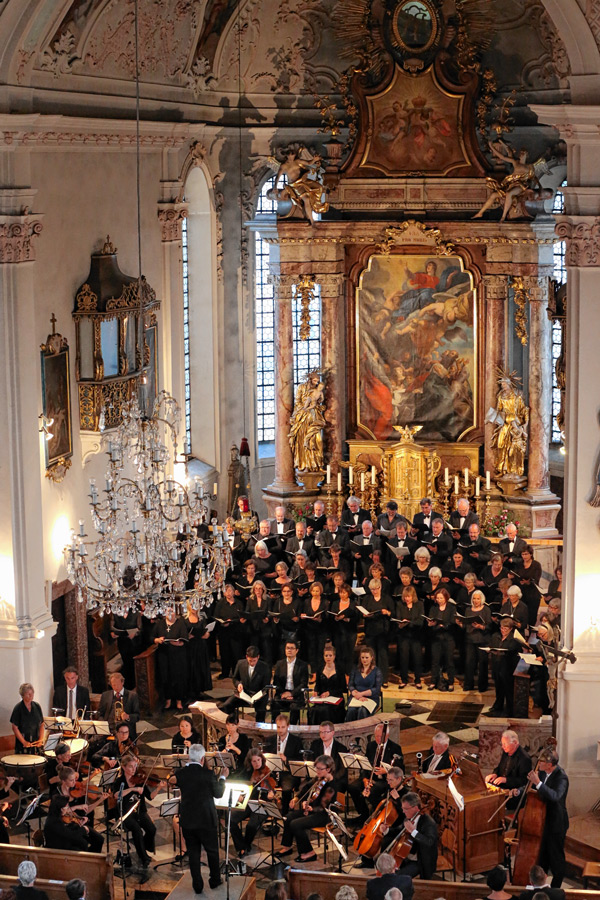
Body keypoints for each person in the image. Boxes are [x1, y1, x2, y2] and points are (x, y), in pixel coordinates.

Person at [174, 742, 227, 893]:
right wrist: (222, 777)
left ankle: (197, 885)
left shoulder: (180, 774)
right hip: (206, 819)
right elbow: (218, 794)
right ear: (203, 758)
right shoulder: (208, 774)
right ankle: (215, 880)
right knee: (212, 851)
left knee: (193, 853)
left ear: (189, 757)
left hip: (188, 819)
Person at [111, 753, 166, 875]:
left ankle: (143, 846)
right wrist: (132, 789)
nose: (134, 769)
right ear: (124, 767)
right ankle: (144, 857)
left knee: (151, 829)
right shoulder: (120, 782)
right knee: (137, 830)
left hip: (140, 811)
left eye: (135, 766)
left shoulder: (140, 780)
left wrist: (158, 788)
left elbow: (150, 797)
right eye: (130, 767)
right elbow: (116, 795)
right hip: (125, 814)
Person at [278, 754, 337, 862]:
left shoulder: (331, 786)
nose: (317, 771)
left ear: (328, 769)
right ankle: (287, 846)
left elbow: (323, 807)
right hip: (313, 810)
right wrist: (296, 798)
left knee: (296, 824)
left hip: (324, 815)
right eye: (316, 768)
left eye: (320, 769)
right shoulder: (318, 779)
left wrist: (311, 808)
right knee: (289, 817)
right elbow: (305, 789)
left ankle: (309, 852)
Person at [526, 749, 569, 887]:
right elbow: (535, 787)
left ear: (550, 764)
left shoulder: (561, 777)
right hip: (543, 821)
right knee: (542, 856)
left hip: (556, 823)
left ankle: (555, 888)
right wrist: (519, 790)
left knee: (556, 858)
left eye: (542, 761)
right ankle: (540, 886)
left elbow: (556, 796)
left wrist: (538, 782)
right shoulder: (544, 772)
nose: (539, 763)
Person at [348, 722, 404, 825]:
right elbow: (365, 766)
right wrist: (365, 779)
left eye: (380, 737)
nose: (378, 739)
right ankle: (363, 814)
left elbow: (400, 769)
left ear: (387, 736)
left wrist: (387, 771)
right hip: (371, 777)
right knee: (353, 787)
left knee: (372, 792)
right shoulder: (371, 745)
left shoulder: (395, 748)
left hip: (385, 780)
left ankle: (375, 817)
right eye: (376, 736)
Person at [229, 747, 278, 856]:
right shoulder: (247, 772)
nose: (256, 764)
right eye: (254, 761)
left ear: (262, 759)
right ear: (250, 762)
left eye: (258, 760)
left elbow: (273, 790)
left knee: (251, 825)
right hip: (248, 802)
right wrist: (240, 794)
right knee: (230, 820)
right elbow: (238, 782)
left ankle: (245, 846)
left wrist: (271, 795)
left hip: (263, 803)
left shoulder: (268, 772)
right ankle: (241, 846)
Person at [264, 714, 304, 815]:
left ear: (288, 726)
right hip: (272, 772)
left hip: (288, 773)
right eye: (278, 727)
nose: (280, 730)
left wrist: (286, 759)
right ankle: (266, 814)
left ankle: (285, 815)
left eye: (283, 727)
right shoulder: (270, 740)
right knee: (263, 785)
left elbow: (299, 761)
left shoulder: (296, 741)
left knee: (287, 789)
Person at [220, 645, 271, 722]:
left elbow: (266, 687)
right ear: (247, 657)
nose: (252, 663)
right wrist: (238, 685)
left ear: (258, 657)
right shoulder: (240, 664)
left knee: (261, 710)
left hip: (259, 696)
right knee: (227, 705)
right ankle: (233, 724)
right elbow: (235, 678)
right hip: (244, 693)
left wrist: (257, 696)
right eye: (250, 661)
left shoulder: (265, 667)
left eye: (254, 660)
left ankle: (258, 730)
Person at [394, 791, 438, 878]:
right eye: (403, 808)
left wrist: (413, 832)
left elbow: (429, 842)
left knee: (398, 877)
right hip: (406, 856)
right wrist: (386, 830)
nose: (403, 811)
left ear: (416, 808)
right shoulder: (409, 818)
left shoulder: (429, 823)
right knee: (384, 865)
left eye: (406, 809)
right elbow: (399, 830)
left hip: (420, 861)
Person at [153, 606, 189, 709]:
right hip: (164, 655)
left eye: (171, 611)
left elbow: (185, 638)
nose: (169, 613)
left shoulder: (180, 623)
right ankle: (167, 700)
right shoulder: (160, 624)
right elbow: (151, 637)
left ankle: (179, 701)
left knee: (178, 678)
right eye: (167, 611)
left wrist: (178, 643)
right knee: (166, 678)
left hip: (178, 656)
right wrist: (157, 640)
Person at [487, 618, 522, 716]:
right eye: (502, 628)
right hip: (497, 665)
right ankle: (498, 705)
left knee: (508, 689)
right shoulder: (495, 636)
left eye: (505, 629)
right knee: (498, 687)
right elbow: (491, 646)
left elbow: (513, 651)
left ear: (511, 629)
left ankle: (510, 708)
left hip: (508, 667)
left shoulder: (514, 639)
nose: (503, 630)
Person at [362, 577, 394, 684]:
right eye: (372, 589)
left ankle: (383, 679)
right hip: (370, 630)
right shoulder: (367, 599)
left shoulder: (386, 598)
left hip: (383, 631)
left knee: (382, 655)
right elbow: (362, 611)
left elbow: (393, 613)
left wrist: (387, 612)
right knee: (371, 655)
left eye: (376, 589)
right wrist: (365, 614)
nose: (374, 591)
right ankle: (372, 678)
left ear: (380, 587)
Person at [459, 588, 492, 692]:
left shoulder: (486, 609)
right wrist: (460, 623)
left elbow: (489, 626)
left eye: (478, 599)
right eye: (474, 598)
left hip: (482, 639)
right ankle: (468, 685)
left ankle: (482, 686)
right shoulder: (468, 610)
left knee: (482, 663)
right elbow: (466, 625)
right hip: (470, 640)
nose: (475, 601)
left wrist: (480, 626)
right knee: (469, 663)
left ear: (481, 599)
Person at [485, 729, 532, 803]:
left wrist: (506, 779)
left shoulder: (524, 759)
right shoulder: (506, 750)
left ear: (515, 742)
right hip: (501, 786)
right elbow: (500, 767)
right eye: (502, 744)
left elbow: (524, 781)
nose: (503, 747)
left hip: (512, 792)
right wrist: (495, 774)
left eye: (505, 744)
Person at [213, 582, 247, 679]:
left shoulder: (239, 603)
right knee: (225, 653)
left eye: (230, 591)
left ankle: (237, 674)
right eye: (226, 591)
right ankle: (225, 673)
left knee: (236, 653)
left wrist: (234, 621)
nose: (228, 593)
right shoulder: (220, 603)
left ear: (234, 592)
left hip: (236, 632)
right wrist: (223, 623)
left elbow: (242, 617)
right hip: (224, 632)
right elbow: (216, 616)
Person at [272, 639, 310, 724]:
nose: (289, 650)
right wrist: (283, 694)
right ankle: (277, 727)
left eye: (292, 648)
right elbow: (276, 682)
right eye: (287, 648)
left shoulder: (302, 665)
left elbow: (303, 683)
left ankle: (292, 728)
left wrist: (291, 694)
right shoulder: (279, 664)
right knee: (274, 703)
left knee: (294, 707)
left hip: (296, 695)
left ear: (297, 650)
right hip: (282, 693)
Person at [395, 585, 424, 689]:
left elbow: (420, 621)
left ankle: (418, 680)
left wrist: (409, 622)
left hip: (416, 636)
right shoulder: (400, 605)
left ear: (413, 596)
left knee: (417, 658)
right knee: (404, 658)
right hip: (404, 636)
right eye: (405, 596)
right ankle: (404, 680)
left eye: (409, 596)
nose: (407, 599)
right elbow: (398, 619)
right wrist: (401, 623)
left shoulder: (419, 604)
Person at [309, 644, 347, 724]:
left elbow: (343, 688)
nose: (328, 657)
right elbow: (318, 685)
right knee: (313, 710)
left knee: (327, 710)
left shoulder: (340, 669)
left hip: (336, 699)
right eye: (326, 655)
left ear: (334, 656)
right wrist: (316, 691)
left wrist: (329, 693)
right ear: (323, 656)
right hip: (322, 698)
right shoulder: (320, 669)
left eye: (330, 655)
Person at [428, 588, 456, 691]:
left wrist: (444, 625)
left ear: (446, 598)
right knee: (435, 661)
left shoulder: (451, 608)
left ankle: (451, 682)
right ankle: (433, 681)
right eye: (437, 598)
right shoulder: (434, 608)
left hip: (448, 637)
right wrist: (431, 624)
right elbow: (431, 619)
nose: (439, 600)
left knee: (449, 661)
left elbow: (453, 622)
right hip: (436, 637)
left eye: (441, 598)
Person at [97, 671, 140, 736]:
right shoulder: (105, 695)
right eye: (113, 685)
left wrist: (128, 717)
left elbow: (137, 716)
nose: (116, 687)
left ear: (122, 682)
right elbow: (100, 713)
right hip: (109, 729)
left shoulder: (132, 696)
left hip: (125, 730)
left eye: (118, 684)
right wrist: (103, 724)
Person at [346, 646, 383, 721]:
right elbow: (351, 685)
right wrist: (357, 695)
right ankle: (350, 731)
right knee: (351, 710)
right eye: (362, 657)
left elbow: (376, 689)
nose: (364, 660)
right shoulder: (355, 670)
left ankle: (362, 731)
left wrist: (362, 694)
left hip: (371, 699)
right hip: (356, 697)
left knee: (362, 710)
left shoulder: (377, 671)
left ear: (372, 657)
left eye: (366, 657)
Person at [329, 583, 358, 675]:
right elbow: (330, 616)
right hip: (338, 631)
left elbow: (357, 618)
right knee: (339, 653)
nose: (342, 594)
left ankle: (348, 673)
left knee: (349, 653)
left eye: (344, 593)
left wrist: (348, 619)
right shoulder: (335, 603)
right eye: (341, 592)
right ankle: (339, 672)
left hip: (350, 631)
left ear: (348, 593)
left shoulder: (354, 603)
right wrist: (336, 618)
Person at [300, 581, 329, 676]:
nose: (315, 593)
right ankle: (313, 672)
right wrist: (303, 616)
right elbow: (303, 613)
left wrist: (321, 619)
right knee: (311, 650)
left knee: (320, 650)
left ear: (320, 591)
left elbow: (328, 616)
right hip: (309, 629)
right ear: (311, 591)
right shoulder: (306, 601)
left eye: (317, 591)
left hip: (321, 629)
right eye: (313, 591)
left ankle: (320, 671)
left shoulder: (325, 602)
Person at [185, 601, 213, 699]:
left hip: (200, 646)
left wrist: (207, 634)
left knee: (200, 667)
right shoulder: (184, 619)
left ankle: (200, 690)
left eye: (195, 606)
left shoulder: (201, 619)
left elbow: (207, 632)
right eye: (192, 606)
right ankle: (191, 691)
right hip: (190, 647)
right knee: (191, 668)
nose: (194, 608)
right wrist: (187, 636)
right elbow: (182, 633)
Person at [110, 608, 142, 689]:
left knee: (132, 663)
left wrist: (135, 633)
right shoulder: (116, 613)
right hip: (122, 642)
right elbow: (112, 627)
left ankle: (133, 684)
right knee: (125, 662)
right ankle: (127, 685)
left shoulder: (135, 612)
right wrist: (113, 633)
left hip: (133, 643)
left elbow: (140, 628)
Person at [310, 719, 348, 786]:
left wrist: (330, 778)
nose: (323, 735)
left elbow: (342, 770)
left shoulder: (341, 748)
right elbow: (311, 762)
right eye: (321, 732)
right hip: (318, 777)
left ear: (332, 733)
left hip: (335, 779)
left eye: (325, 732)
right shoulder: (315, 745)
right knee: (305, 787)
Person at [10, 683, 44, 753]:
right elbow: (14, 727)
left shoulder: (37, 706)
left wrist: (41, 739)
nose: (31, 696)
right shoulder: (18, 708)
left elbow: (42, 724)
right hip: (23, 745)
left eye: (32, 693)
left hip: (36, 743)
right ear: (23, 695)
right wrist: (24, 742)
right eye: (28, 694)